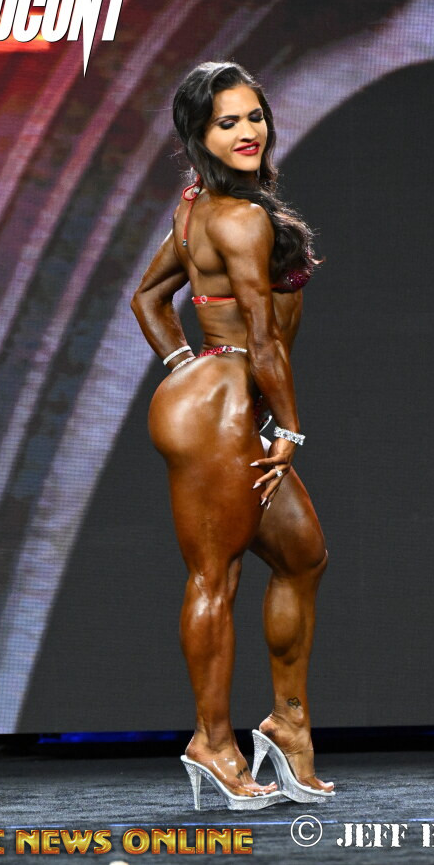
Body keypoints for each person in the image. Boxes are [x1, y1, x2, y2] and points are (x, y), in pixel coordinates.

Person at [131, 61, 334, 810]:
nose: (248, 131)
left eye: (255, 116)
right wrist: (290, 430)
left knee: (301, 555)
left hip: (222, 401)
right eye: (227, 122)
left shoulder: (201, 206)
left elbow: (150, 298)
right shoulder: (238, 218)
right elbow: (263, 336)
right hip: (220, 410)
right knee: (216, 578)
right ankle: (212, 744)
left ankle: (287, 725)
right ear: (199, 135)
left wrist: (185, 365)